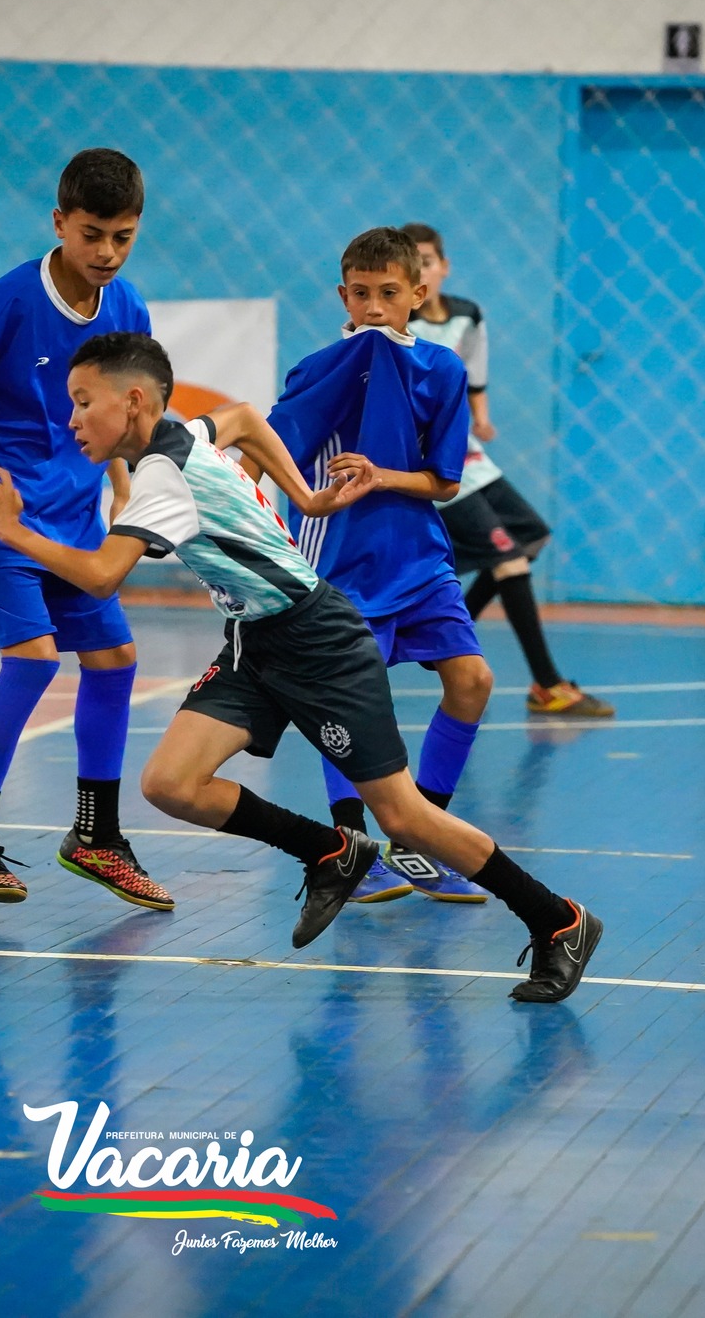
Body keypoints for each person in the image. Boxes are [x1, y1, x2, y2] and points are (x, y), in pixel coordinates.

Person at [0, 331, 603, 1003]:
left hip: (318, 640)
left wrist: (12, 533)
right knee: (171, 782)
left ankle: (558, 920)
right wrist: (301, 495)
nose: (71, 419)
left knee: (405, 818)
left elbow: (100, 575)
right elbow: (241, 415)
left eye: (81, 401)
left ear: (131, 402)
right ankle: (329, 850)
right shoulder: (184, 433)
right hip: (254, 638)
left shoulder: (162, 475)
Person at [0, 149, 166, 912]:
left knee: (116, 659)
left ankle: (96, 835)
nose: (108, 253)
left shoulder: (129, 309)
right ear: (59, 224)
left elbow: (122, 419)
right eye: (93, 235)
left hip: (74, 519)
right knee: (33, 659)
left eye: (123, 237)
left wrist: (122, 487)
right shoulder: (8, 301)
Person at [265, 226, 488, 907]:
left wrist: (384, 474)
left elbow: (445, 481)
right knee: (354, 705)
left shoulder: (443, 370)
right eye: (361, 293)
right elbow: (273, 446)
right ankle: (353, 847)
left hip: (419, 558)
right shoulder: (320, 369)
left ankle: (420, 837)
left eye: (389, 293)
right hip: (342, 561)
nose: (375, 306)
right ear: (344, 295)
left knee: (473, 680)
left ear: (418, 294)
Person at [404, 222, 612, 719]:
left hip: (471, 453)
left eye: (427, 261)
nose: (422, 271)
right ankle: (548, 685)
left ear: (444, 266)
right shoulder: (399, 332)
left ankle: (442, 633)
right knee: (508, 561)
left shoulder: (467, 316)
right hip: (435, 463)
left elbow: (474, 378)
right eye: (410, 265)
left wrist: (482, 417)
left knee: (530, 535)